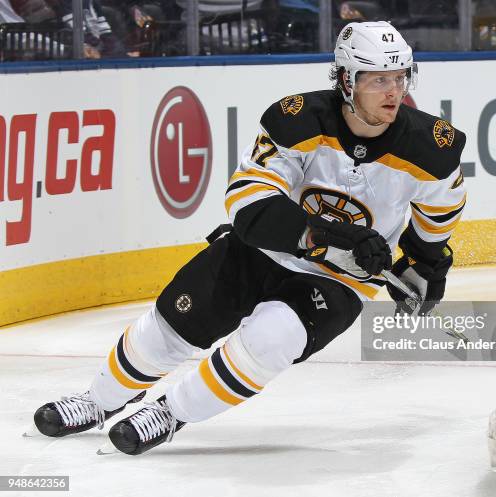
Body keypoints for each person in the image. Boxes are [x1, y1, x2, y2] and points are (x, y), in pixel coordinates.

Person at [31, 20, 467, 455]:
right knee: (168, 328)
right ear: (346, 80)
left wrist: (424, 264)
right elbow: (248, 204)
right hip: (262, 250)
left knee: (271, 339)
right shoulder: (297, 120)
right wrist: (339, 236)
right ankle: (98, 401)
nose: (393, 91)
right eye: (378, 80)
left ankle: (171, 412)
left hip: (339, 281)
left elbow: (440, 211)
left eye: (399, 77)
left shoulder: (433, 147)